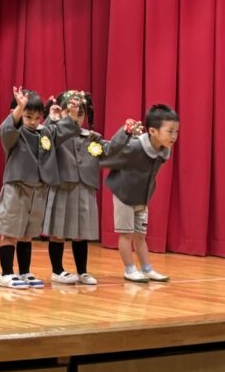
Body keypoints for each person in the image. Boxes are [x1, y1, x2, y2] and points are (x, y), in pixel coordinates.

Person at [0, 88, 80, 288]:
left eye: (37, 117)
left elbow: (63, 130)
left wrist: (72, 115)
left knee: (27, 234)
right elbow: (5, 130)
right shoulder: (15, 133)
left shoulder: (45, 132)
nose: (33, 122)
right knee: (10, 232)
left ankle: (25, 272)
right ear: (17, 114)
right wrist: (20, 108)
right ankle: (6, 273)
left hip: (38, 190)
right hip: (17, 188)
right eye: (28, 116)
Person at [101, 104, 180, 283]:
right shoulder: (135, 146)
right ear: (152, 131)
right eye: (170, 131)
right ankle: (129, 269)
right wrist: (125, 132)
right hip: (124, 194)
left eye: (176, 131)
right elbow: (112, 152)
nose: (174, 136)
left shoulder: (165, 150)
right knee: (126, 235)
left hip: (142, 198)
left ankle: (147, 269)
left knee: (140, 236)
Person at [43, 91, 104, 285]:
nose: (75, 118)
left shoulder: (91, 137)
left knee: (81, 232)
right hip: (62, 186)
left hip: (83, 187)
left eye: (80, 114)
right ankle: (57, 270)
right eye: (70, 112)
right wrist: (52, 119)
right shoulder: (54, 131)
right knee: (58, 231)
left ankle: (83, 271)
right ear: (60, 112)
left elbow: (109, 151)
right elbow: (45, 137)